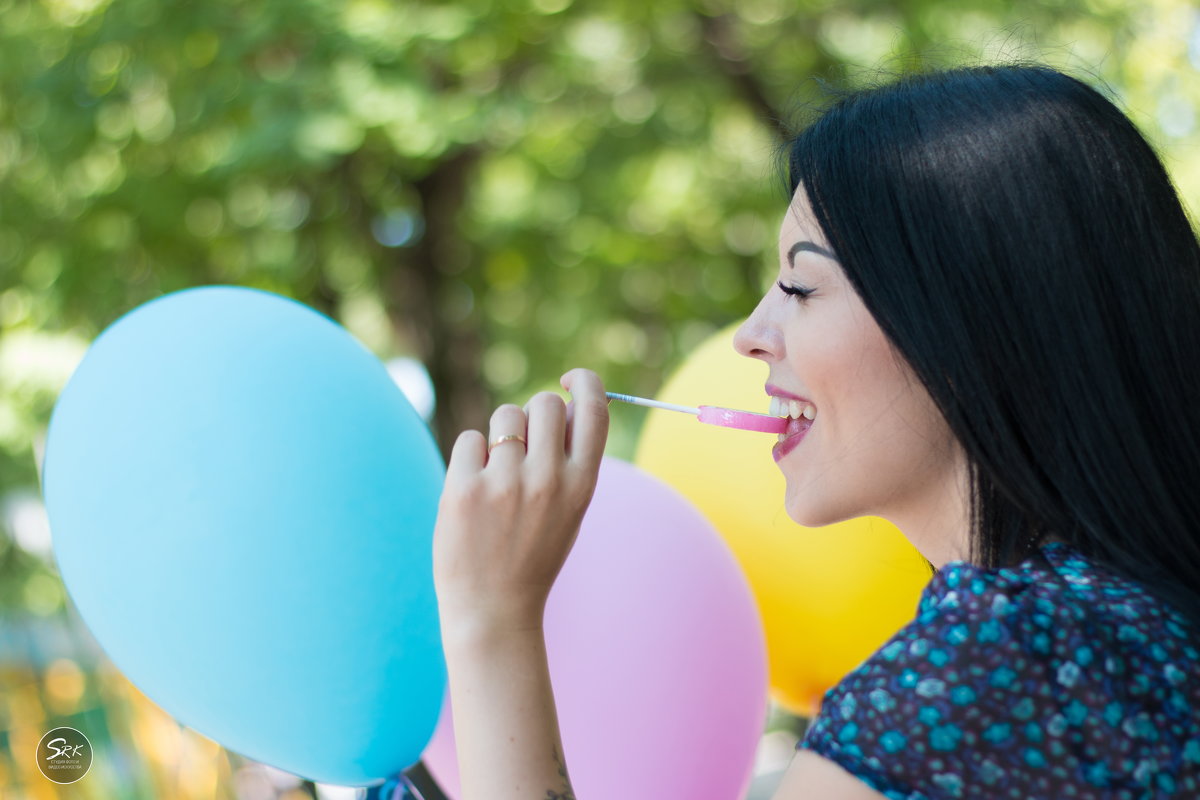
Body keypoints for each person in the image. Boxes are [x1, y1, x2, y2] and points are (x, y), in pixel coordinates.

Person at [430, 62, 1200, 799]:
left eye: (801, 283)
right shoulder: (1132, 622)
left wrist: (491, 617)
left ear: (967, 325)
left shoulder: (1001, 664)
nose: (752, 334)